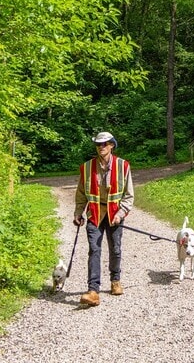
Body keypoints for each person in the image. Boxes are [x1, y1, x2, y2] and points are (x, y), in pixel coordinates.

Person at [73, 131, 134, 306]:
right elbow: (81, 193)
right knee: (94, 249)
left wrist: (120, 213)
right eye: (99, 144)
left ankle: (115, 280)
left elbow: (129, 196)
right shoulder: (86, 168)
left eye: (105, 144)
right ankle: (93, 290)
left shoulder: (123, 166)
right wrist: (78, 212)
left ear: (112, 145)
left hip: (115, 214)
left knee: (115, 249)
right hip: (94, 214)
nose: (101, 147)